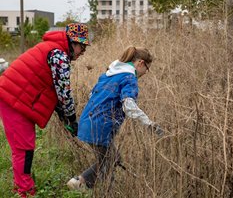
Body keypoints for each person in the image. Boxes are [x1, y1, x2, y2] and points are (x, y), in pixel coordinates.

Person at [0, 22, 89, 198]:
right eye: (82, 47)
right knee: (23, 149)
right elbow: (64, 92)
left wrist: (65, 118)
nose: (82, 52)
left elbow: (54, 92)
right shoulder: (59, 55)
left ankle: (21, 188)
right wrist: (71, 118)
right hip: (14, 99)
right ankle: (25, 192)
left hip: (15, 98)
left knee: (24, 148)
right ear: (72, 42)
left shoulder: (52, 49)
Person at [67, 46, 164, 191]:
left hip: (87, 121)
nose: (145, 73)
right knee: (110, 160)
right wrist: (149, 123)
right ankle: (79, 183)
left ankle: (91, 187)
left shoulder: (109, 74)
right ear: (140, 63)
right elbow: (129, 105)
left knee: (111, 159)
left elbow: (91, 95)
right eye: (147, 69)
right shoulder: (129, 78)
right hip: (101, 125)